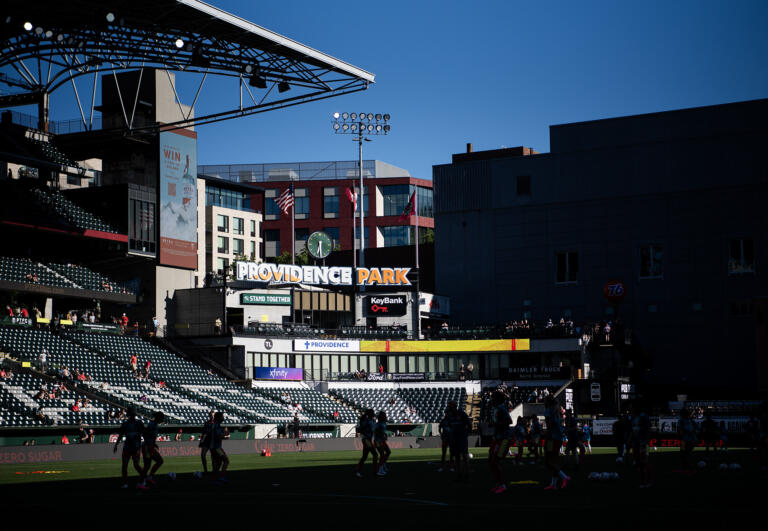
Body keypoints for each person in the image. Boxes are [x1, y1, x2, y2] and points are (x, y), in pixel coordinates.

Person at [113, 407, 146, 489]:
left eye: (133, 414)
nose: (132, 415)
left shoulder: (139, 423)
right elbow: (120, 434)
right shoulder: (125, 423)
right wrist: (116, 444)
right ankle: (125, 483)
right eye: (132, 414)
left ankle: (143, 478)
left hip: (136, 447)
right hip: (128, 447)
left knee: (136, 465)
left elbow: (144, 433)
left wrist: (146, 443)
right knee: (124, 465)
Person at [543, 395, 571, 490]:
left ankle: (564, 477)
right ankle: (553, 484)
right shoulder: (556, 411)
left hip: (552, 438)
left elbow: (549, 426)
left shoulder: (548, 411)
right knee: (554, 461)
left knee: (548, 461)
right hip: (558, 438)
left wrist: (546, 437)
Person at [488, 391, 513, 494]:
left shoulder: (502, 409)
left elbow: (509, 421)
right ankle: (498, 483)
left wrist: (496, 424)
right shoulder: (497, 408)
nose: (491, 400)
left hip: (503, 439)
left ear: (497, 399)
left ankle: (502, 485)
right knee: (491, 461)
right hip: (497, 438)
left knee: (495, 461)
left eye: (493, 398)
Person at [446, 400, 472, 482]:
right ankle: (459, 474)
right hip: (454, 438)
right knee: (457, 456)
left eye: (450, 405)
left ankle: (467, 474)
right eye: (449, 405)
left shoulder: (462, 414)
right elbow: (450, 426)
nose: (449, 407)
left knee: (464, 455)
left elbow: (469, 424)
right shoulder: (449, 415)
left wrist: (466, 434)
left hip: (462, 438)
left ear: (454, 406)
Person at [630, 402, 653, 488]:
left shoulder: (643, 417)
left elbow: (648, 430)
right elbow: (633, 429)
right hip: (636, 443)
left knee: (645, 462)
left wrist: (645, 441)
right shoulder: (633, 417)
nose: (630, 409)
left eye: (631, 407)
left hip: (643, 443)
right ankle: (643, 481)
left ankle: (649, 481)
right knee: (639, 463)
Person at [139, 412, 165, 487]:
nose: (162, 419)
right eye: (162, 418)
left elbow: (149, 435)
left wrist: (154, 444)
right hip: (147, 447)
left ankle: (148, 478)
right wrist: (149, 444)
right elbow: (145, 434)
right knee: (147, 465)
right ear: (158, 418)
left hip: (150, 446)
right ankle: (140, 483)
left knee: (159, 461)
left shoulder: (154, 425)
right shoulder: (152, 425)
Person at [355, 409, 378, 478]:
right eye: (373, 413)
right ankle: (375, 471)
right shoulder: (367, 421)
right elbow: (361, 428)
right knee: (375, 455)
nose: (374, 414)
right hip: (366, 440)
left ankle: (358, 471)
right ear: (370, 414)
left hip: (368, 440)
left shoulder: (371, 421)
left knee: (364, 457)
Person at [209, 411, 229, 485]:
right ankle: (220, 478)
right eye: (222, 416)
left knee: (218, 463)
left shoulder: (215, 425)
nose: (223, 418)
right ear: (219, 417)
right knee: (226, 461)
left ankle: (216, 479)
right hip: (217, 448)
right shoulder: (217, 426)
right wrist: (225, 434)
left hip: (214, 447)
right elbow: (219, 436)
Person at [374, 411, 391, 476]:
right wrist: (382, 436)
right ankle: (380, 470)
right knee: (382, 454)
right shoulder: (378, 424)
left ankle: (383, 465)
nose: (386, 416)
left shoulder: (384, 423)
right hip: (378, 441)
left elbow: (382, 432)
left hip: (382, 440)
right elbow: (376, 432)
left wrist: (385, 434)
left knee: (388, 452)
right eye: (384, 415)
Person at [438, 408, 455, 472]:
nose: (447, 414)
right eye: (446, 413)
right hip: (445, 438)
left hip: (451, 438)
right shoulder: (443, 420)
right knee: (444, 453)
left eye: (448, 413)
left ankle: (451, 467)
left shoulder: (452, 420)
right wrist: (441, 434)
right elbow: (439, 427)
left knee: (451, 453)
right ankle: (442, 467)